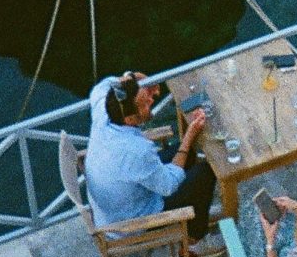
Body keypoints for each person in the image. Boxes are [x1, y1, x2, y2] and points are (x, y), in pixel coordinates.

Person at [83, 70, 217, 242]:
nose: (151, 100)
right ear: (130, 119)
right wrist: (189, 136)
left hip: (111, 204)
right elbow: (168, 186)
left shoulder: (104, 112)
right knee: (205, 172)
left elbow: (103, 86)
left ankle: (196, 212)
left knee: (188, 154)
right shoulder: (137, 151)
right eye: (145, 104)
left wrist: (135, 77)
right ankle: (194, 237)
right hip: (128, 223)